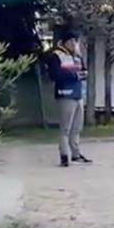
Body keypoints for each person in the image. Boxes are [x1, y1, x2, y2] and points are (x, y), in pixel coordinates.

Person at [44, 31, 91, 167]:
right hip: (65, 94)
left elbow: (83, 70)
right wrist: (75, 76)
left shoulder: (77, 56)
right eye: (70, 41)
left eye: (74, 41)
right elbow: (55, 75)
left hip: (77, 94)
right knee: (65, 128)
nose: (73, 44)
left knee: (77, 127)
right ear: (64, 42)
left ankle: (76, 154)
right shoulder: (57, 56)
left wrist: (81, 74)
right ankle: (64, 155)